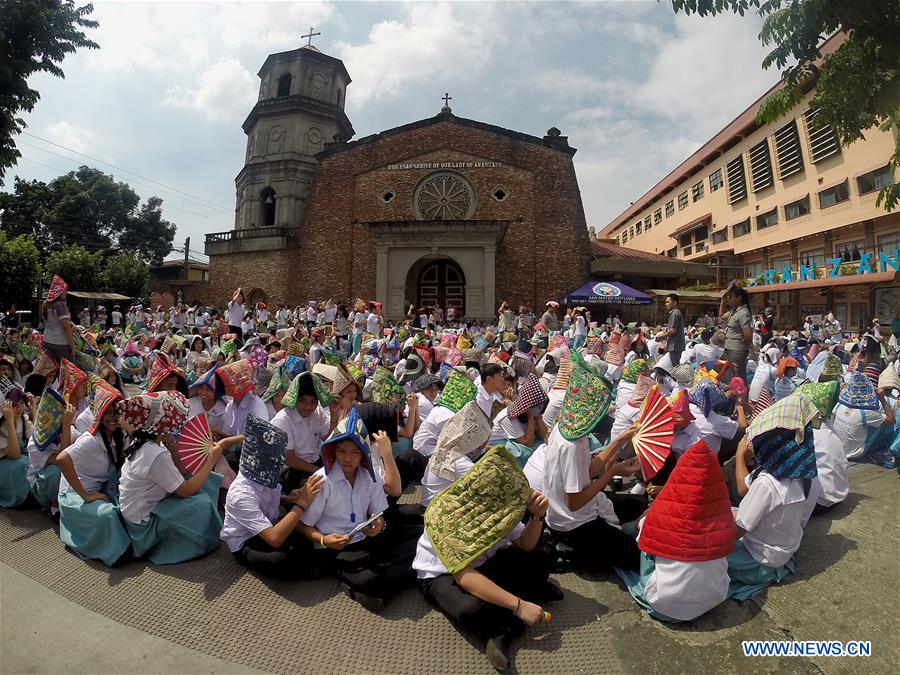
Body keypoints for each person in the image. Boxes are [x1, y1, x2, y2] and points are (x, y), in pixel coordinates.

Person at [415, 445, 557, 672]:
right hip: (441, 574)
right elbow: (464, 576)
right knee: (470, 608)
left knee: (542, 559)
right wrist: (518, 606)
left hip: (483, 565)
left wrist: (538, 516)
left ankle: (510, 614)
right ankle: (503, 631)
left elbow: (525, 544)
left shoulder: (503, 506)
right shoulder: (450, 514)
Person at [298, 408, 421, 612]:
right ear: (333, 451)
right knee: (371, 579)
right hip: (338, 547)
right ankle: (367, 583)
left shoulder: (368, 475)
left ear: (363, 452)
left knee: (420, 537)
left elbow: (378, 512)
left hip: (366, 538)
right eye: (342, 451)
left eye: (355, 452)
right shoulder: (322, 481)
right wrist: (323, 539)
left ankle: (384, 580)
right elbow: (302, 526)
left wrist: (377, 521)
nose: (348, 458)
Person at [616, 439, 735, 622]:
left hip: (664, 606)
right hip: (713, 599)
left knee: (643, 540)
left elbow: (643, 535)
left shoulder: (657, 517)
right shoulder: (725, 519)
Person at [543, 354, 643, 570]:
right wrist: (612, 472)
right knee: (635, 557)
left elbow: (589, 469)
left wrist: (619, 440)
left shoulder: (568, 429)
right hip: (571, 523)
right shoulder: (571, 444)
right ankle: (572, 551)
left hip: (571, 511)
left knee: (636, 505)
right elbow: (575, 502)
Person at [117, 391, 240, 564]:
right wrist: (212, 458)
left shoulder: (144, 444)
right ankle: (186, 543)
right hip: (143, 525)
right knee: (201, 504)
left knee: (205, 482)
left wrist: (171, 443)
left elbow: (181, 470)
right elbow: (186, 490)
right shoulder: (154, 453)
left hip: (136, 514)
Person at [728, 394, 821, 600]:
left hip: (761, 559)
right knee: (730, 513)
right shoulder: (801, 472)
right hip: (784, 551)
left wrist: (707, 547)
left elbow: (738, 531)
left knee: (709, 555)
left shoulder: (767, 483)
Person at [221, 415, 325, 577]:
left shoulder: (265, 474)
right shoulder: (241, 494)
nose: (278, 462)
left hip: (270, 521)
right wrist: (302, 503)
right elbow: (274, 538)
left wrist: (289, 498)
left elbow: (270, 499)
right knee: (281, 559)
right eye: (274, 458)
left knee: (303, 542)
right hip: (247, 539)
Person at [55, 380, 131, 566]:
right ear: (100, 413)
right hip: (74, 495)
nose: (114, 418)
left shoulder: (120, 435)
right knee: (109, 514)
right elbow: (62, 459)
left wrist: (130, 429)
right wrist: (85, 495)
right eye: (109, 413)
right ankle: (114, 552)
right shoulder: (91, 439)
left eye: (118, 412)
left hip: (101, 488)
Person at [272, 372, 336, 493]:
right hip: (291, 470)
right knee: (321, 489)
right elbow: (289, 459)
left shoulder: (317, 413)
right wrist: (319, 471)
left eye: (313, 402)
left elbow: (330, 439)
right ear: (295, 398)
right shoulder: (283, 419)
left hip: (315, 462)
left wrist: (334, 414)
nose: (308, 407)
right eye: (302, 401)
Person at [0, 386, 33, 508]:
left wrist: (33, 407)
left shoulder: (23, 419)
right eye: (14, 405)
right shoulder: (1, 427)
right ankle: (21, 498)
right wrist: (9, 421)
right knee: (21, 464)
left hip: (21, 460)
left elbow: (34, 442)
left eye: (21, 403)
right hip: (4, 464)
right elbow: (15, 454)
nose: (19, 408)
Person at [719, 282, 753, 384]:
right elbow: (721, 315)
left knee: (738, 377)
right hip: (730, 348)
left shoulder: (743, 312)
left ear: (739, 298)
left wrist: (743, 345)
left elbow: (748, 335)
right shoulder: (734, 311)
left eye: (730, 296)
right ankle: (734, 397)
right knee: (729, 375)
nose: (728, 298)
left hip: (737, 350)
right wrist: (723, 300)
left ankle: (742, 399)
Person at [41, 275, 77, 361]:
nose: (66, 292)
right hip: (61, 343)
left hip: (47, 341)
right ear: (60, 291)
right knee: (67, 370)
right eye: (65, 290)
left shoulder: (46, 304)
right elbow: (65, 327)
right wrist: (72, 345)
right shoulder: (60, 305)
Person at [662, 293, 685, 367]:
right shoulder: (675, 313)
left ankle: (676, 379)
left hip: (675, 345)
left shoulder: (675, 313)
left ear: (674, 303)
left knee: (675, 367)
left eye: (668, 302)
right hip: (675, 345)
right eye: (666, 302)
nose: (666, 304)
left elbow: (673, 330)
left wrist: (661, 336)